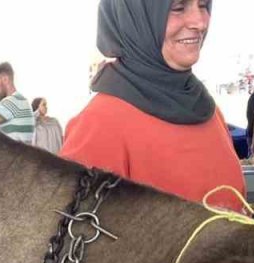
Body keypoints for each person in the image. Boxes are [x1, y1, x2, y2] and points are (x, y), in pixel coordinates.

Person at [61, 0, 244, 210]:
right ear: (136, 19)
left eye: (203, 5)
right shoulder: (99, 126)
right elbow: (80, 234)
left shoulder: (207, 110)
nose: (200, 22)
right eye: (178, 7)